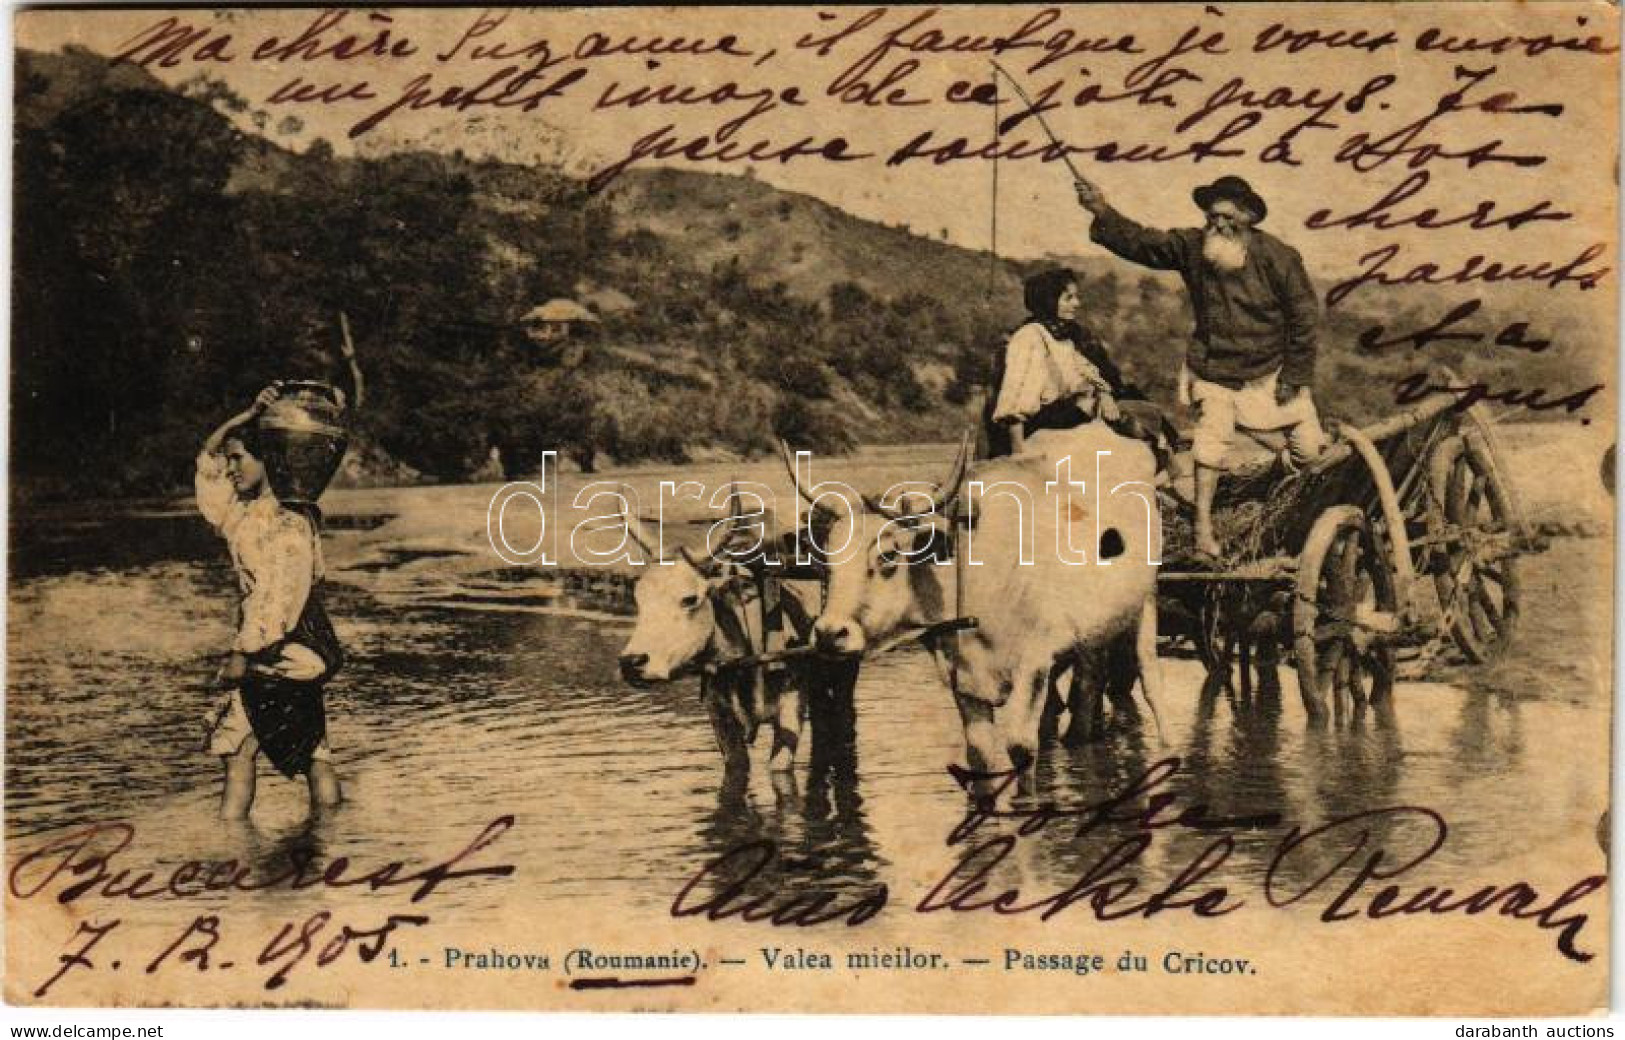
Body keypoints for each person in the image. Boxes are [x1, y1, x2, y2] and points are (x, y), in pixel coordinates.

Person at [1074, 174, 1327, 559]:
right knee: (1209, 449)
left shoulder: (1279, 257)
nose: (1219, 225)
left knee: (1309, 452)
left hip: (1272, 372)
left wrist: (1294, 376)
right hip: (1214, 372)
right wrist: (1101, 210)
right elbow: (1144, 242)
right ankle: (1203, 531)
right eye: (1213, 217)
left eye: (1228, 217)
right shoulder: (1194, 247)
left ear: (1248, 217)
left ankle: (1280, 488)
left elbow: (1305, 320)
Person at [198, 384, 344, 818]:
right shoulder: (242, 515)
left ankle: (237, 851)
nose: (231, 469)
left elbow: (276, 599)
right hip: (280, 650)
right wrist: (249, 413)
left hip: (283, 650)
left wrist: (242, 654)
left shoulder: (288, 523)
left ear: (270, 460)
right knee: (311, 752)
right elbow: (207, 466)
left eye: (240, 458)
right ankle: (330, 841)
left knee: (245, 751)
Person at [987, 267, 1165, 463]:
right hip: (1037, 425)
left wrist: (1104, 394)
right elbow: (1015, 398)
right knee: (1132, 423)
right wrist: (1019, 452)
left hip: (1065, 414)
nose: (1077, 304)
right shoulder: (1029, 337)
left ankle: (1161, 474)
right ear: (1049, 301)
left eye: (1076, 297)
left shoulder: (1063, 336)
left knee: (1142, 412)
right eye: (1068, 298)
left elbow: (1087, 373)